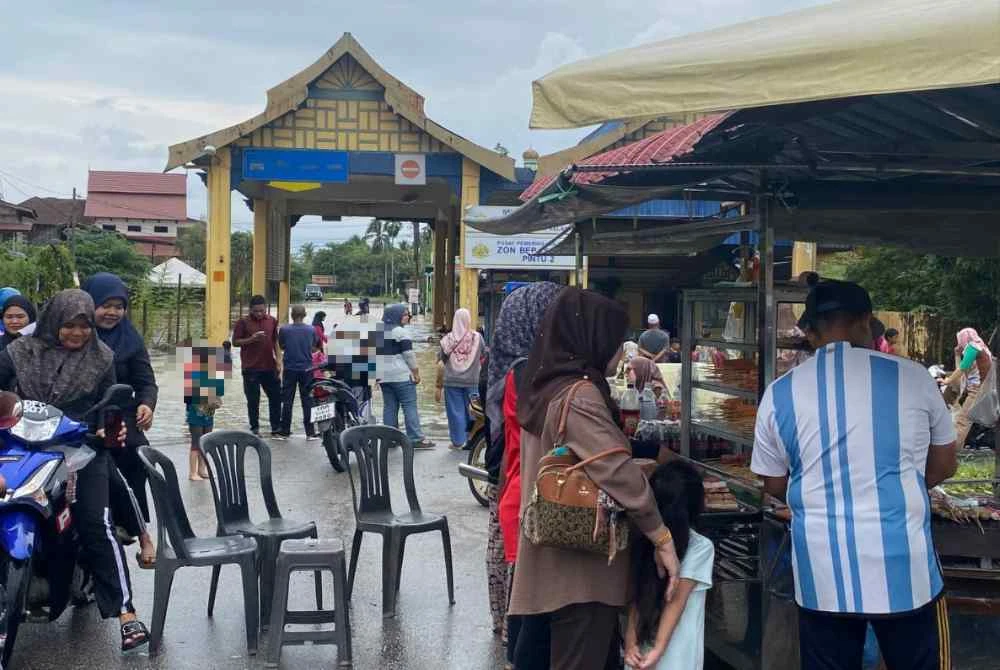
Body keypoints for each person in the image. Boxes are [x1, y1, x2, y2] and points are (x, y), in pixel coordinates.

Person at [751, 279, 956, 670]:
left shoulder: (780, 393)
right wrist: (899, 485)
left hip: (822, 575)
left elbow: (773, 483)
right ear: (866, 320)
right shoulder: (913, 377)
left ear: (812, 329)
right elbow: (945, 463)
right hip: (905, 570)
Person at [510, 287, 680, 670]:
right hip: (581, 569)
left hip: (552, 554)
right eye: (616, 342)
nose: (621, 354)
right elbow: (617, 472)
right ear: (590, 338)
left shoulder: (544, 384)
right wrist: (662, 536)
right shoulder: (580, 394)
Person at [0, 290, 150, 652]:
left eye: (84, 326)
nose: (77, 333)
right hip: (21, 447)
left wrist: (109, 428)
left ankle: (126, 613)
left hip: (80, 450)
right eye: (69, 325)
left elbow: (111, 410)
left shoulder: (102, 358)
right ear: (53, 322)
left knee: (95, 524)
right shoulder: (18, 353)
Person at [485, 281, 564, 663]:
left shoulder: (507, 366)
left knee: (514, 590)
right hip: (528, 493)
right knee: (528, 608)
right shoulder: (533, 375)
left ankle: (507, 639)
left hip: (509, 486)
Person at [82, 272, 159, 570]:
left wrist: (146, 405)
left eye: (119, 306)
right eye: (105, 305)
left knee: (135, 457)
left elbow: (146, 382)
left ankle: (140, 532)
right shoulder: (73, 334)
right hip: (79, 413)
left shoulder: (131, 339)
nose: (112, 312)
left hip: (120, 413)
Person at [625, 461, 714, 670]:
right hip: (675, 656)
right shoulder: (700, 547)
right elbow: (675, 601)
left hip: (639, 654)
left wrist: (630, 641)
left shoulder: (644, 538)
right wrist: (659, 649)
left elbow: (637, 596)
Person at [377, 304, 434, 449]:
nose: (408, 316)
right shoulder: (401, 332)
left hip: (383, 376)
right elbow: (408, 355)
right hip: (401, 376)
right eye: (404, 314)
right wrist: (416, 373)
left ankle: (389, 439)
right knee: (409, 406)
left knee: (389, 407)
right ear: (396, 316)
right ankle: (415, 438)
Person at [232, 295, 281, 437]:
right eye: (256, 311)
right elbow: (235, 342)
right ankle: (254, 428)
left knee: (276, 397)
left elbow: (275, 342)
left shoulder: (272, 321)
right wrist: (252, 339)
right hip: (250, 368)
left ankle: (276, 428)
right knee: (253, 400)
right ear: (250, 310)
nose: (259, 314)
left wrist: (279, 361)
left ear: (265, 308)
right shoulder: (243, 322)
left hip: (269, 366)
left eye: (261, 310)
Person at [439, 308, 485, 449]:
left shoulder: (447, 339)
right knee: (474, 411)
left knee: (455, 412)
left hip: (452, 381)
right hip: (473, 380)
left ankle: (458, 442)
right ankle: (472, 441)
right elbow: (484, 354)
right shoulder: (477, 337)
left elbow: (441, 359)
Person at [945, 327, 994, 448]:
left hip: (978, 390)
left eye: (960, 339)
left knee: (962, 420)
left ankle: (952, 451)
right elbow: (962, 369)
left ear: (964, 338)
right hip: (980, 389)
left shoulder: (973, 347)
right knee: (960, 416)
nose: (959, 343)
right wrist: (957, 355)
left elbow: (962, 368)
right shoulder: (981, 348)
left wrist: (948, 380)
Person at [278, 305, 320, 441]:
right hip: (307, 369)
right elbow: (314, 347)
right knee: (308, 401)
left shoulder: (284, 329)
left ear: (292, 315)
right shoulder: (311, 329)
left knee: (287, 401)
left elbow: (281, 346)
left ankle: (285, 431)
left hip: (290, 368)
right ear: (305, 315)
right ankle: (310, 432)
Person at [185, 346, 225, 479]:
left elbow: (219, 395)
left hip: (208, 414)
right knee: (196, 442)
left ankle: (202, 469)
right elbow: (189, 398)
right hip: (195, 415)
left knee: (205, 441)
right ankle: (192, 472)